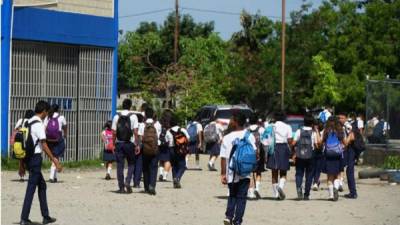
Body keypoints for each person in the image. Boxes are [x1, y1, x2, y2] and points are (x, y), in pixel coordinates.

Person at [19, 101, 62, 225]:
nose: (47, 114)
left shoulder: (27, 122)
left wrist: (21, 164)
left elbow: (23, 145)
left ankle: (46, 216)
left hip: (27, 158)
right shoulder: (38, 123)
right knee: (31, 189)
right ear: (43, 111)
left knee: (42, 185)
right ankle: (24, 218)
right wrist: (54, 160)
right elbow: (44, 144)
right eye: (47, 112)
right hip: (35, 159)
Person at [220, 111, 256, 225]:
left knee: (232, 194)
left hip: (231, 172)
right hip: (245, 171)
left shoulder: (227, 137)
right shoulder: (249, 136)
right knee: (241, 197)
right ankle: (238, 220)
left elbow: (223, 158)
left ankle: (229, 216)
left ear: (235, 122)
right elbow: (254, 153)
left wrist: (223, 174)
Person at [322, 116, 354, 201]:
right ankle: (336, 187)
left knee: (329, 176)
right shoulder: (340, 131)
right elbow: (345, 143)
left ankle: (331, 195)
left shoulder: (326, 131)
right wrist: (350, 136)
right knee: (337, 174)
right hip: (338, 155)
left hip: (328, 155)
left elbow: (322, 143)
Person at [111, 99, 139, 193]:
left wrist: (113, 143)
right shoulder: (133, 116)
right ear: (130, 106)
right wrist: (137, 144)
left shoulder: (116, 116)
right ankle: (128, 181)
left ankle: (121, 187)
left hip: (119, 143)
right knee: (131, 163)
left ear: (122, 105)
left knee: (120, 165)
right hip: (129, 143)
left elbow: (114, 132)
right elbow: (135, 132)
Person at [292, 114, 322, 200]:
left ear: (304, 122)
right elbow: (318, 144)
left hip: (300, 155)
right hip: (311, 155)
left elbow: (293, 143)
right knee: (309, 175)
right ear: (312, 123)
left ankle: (298, 188)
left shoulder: (299, 131)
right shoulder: (313, 132)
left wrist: (294, 152)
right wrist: (316, 131)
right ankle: (306, 194)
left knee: (299, 173)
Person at [266, 111, 293, 200]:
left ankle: (276, 195)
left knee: (274, 173)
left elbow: (267, 138)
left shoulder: (271, 126)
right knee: (283, 171)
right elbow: (290, 140)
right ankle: (280, 187)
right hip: (283, 147)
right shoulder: (287, 127)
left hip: (273, 148)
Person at [44, 104, 67, 183]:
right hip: (58, 139)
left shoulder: (48, 117)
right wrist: (65, 134)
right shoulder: (61, 117)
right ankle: (51, 176)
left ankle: (54, 177)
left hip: (49, 139)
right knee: (56, 157)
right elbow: (65, 127)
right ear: (58, 109)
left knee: (53, 156)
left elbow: (44, 128)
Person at [338, 112, 359, 199]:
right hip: (346, 150)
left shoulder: (348, 126)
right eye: (339, 118)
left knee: (349, 171)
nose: (340, 119)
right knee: (341, 168)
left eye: (342, 118)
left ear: (346, 118)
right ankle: (351, 192)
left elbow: (352, 137)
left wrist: (345, 143)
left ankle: (353, 193)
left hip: (351, 150)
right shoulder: (340, 127)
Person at [140, 107, 160, 195]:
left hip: (144, 149)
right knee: (154, 167)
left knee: (145, 168)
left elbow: (140, 137)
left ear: (145, 115)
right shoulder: (157, 124)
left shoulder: (142, 124)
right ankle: (152, 185)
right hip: (155, 148)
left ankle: (146, 187)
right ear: (153, 115)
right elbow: (158, 136)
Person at [166, 112, 190, 188]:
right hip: (180, 149)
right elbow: (188, 138)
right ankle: (177, 178)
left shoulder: (168, 131)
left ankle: (174, 182)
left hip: (171, 149)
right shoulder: (182, 129)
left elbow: (167, 141)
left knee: (174, 166)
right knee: (182, 166)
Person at [247, 113, 265, 199]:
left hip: (248, 151)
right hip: (259, 152)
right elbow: (264, 141)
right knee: (258, 172)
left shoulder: (246, 129)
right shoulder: (261, 129)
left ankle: (250, 191)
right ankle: (257, 188)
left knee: (249, 172)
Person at [14, 110, 35, 182]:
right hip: (28, 141)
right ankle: (30, 174)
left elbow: (15, 129)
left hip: (21, 141)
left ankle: (21, 177)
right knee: (29, 158)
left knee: (21, 159)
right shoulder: (32, 121)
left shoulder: (21, 120)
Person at [158, 110, 173, 182]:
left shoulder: (160, 123)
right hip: (168, 144)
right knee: (168, 160)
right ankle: (164, 176)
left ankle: (160, 173)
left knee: (161, 159)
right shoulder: (170, 124)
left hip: (160, 144)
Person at [312, 119, 325, 191]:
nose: (315, 126)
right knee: (313, 168)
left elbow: (320, 143)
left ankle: (315, 183)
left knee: (318, 169)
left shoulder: (323, 132)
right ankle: (316, 181)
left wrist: (317, 132)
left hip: (321, 152)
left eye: (316, 125)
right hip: (313, 152)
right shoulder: (312, 132)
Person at [133, 113, 144, 188]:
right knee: (139, 164)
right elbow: (141, 137)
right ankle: (137, 182)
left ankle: (133, 179)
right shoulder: (143, 125)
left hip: (131, 145)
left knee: (132, 164)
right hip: (140, 145)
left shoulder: (132, 124)